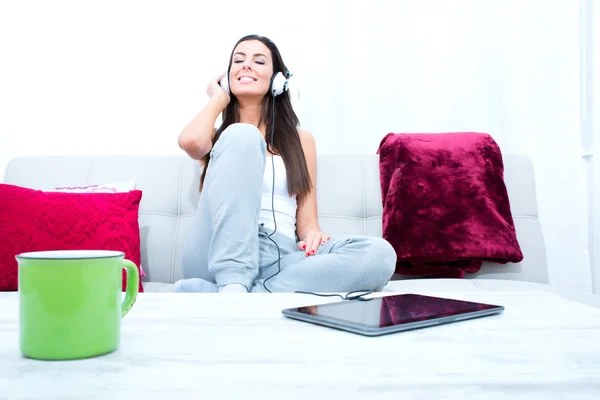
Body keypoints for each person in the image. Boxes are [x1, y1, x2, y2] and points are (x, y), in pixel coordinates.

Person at [174, 34, 397, 294]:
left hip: (278, 257)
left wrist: (314, 235)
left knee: (380, 254)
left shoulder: (302, 141)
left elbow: (307, 222)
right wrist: (218, 98)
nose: (246, 65)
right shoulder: (217, 137)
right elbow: (190, 142)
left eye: (259, 61)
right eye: (238, 60)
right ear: (227, 75)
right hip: (214, 251)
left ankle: (240, 294)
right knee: (242, 134)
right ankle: (233, 284)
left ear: (278, 80)